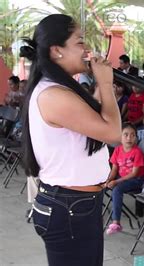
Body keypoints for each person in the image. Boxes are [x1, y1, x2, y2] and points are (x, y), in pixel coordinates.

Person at [21, 14, 121, 265]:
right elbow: (113, 134)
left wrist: (100, 86)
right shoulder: (54, 94)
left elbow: (95, 123)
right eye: (80, 42)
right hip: (69, 207)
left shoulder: (59, 88)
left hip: (75, 204)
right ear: (57, 51)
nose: (87, 49)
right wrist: (107, 86)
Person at [105, 123, 144, 235]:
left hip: (136, 180)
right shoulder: (118, 150)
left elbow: (134, 173)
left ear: (136, 138)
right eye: (126, 135)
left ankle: (116, 222)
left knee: (117, 190)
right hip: (121, 178)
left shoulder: (137, 152)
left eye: (133, 135)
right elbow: (114, 169)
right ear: (120, 137)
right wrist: (108, 180)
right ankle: (93, 215)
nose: (129, 138)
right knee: (102, 185)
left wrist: (116, 181)